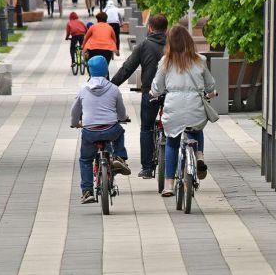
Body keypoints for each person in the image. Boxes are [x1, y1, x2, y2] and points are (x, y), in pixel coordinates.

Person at [150, 25, 215, 196]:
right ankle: (199, 156)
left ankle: (169, 185)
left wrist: (153, 93)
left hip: (174, 106)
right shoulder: (200, 60)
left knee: (172, 143)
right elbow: (210, 85)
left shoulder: (165, 61)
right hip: (195, 104)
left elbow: (157, 86)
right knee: (196, 128)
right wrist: (211, 92)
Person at [111, 14, 168, 179]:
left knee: (147, 128)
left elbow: (127, 69)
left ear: (149, 27)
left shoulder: (144, 45)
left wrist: (110, 86)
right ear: (166, 29)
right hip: (171, 93)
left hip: (150, 93)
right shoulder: (173, 45)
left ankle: (147, 168)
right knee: (175, 128)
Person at [70, 55, 131, 204]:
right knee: (119, 132)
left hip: (90, 131)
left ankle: (87, 191)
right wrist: (123, 118)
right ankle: (119, 157)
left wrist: (75, 123)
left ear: (90, 72)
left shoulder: (83, 89)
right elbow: (121, 113)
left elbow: (75, 111)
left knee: (85, 159)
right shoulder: (114, 89)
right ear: (106, 71)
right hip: (110, 128)